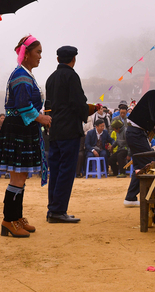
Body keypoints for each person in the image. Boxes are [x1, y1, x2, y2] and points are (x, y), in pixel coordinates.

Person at [0, 35, 52, 236]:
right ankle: (9, 220)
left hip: (23, 128)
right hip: (18, 128)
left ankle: (16, 218)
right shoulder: (21, 77)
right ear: (26, 55)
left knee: (21, 175)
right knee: (17, 176)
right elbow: (23, 105)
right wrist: (40, 118)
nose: (40, 56)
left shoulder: (25, 74)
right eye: (38, 52)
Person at [45, 45, 91, 224]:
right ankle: (58, 210)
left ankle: (53, 209)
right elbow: (78, 102)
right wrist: (87, 110)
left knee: (55, 170)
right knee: (66, 170)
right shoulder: (72, 76)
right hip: (69, 130)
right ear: (74, 59)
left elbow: (49, 104)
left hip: (55, 128)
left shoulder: (50, 78)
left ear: (58, 59)